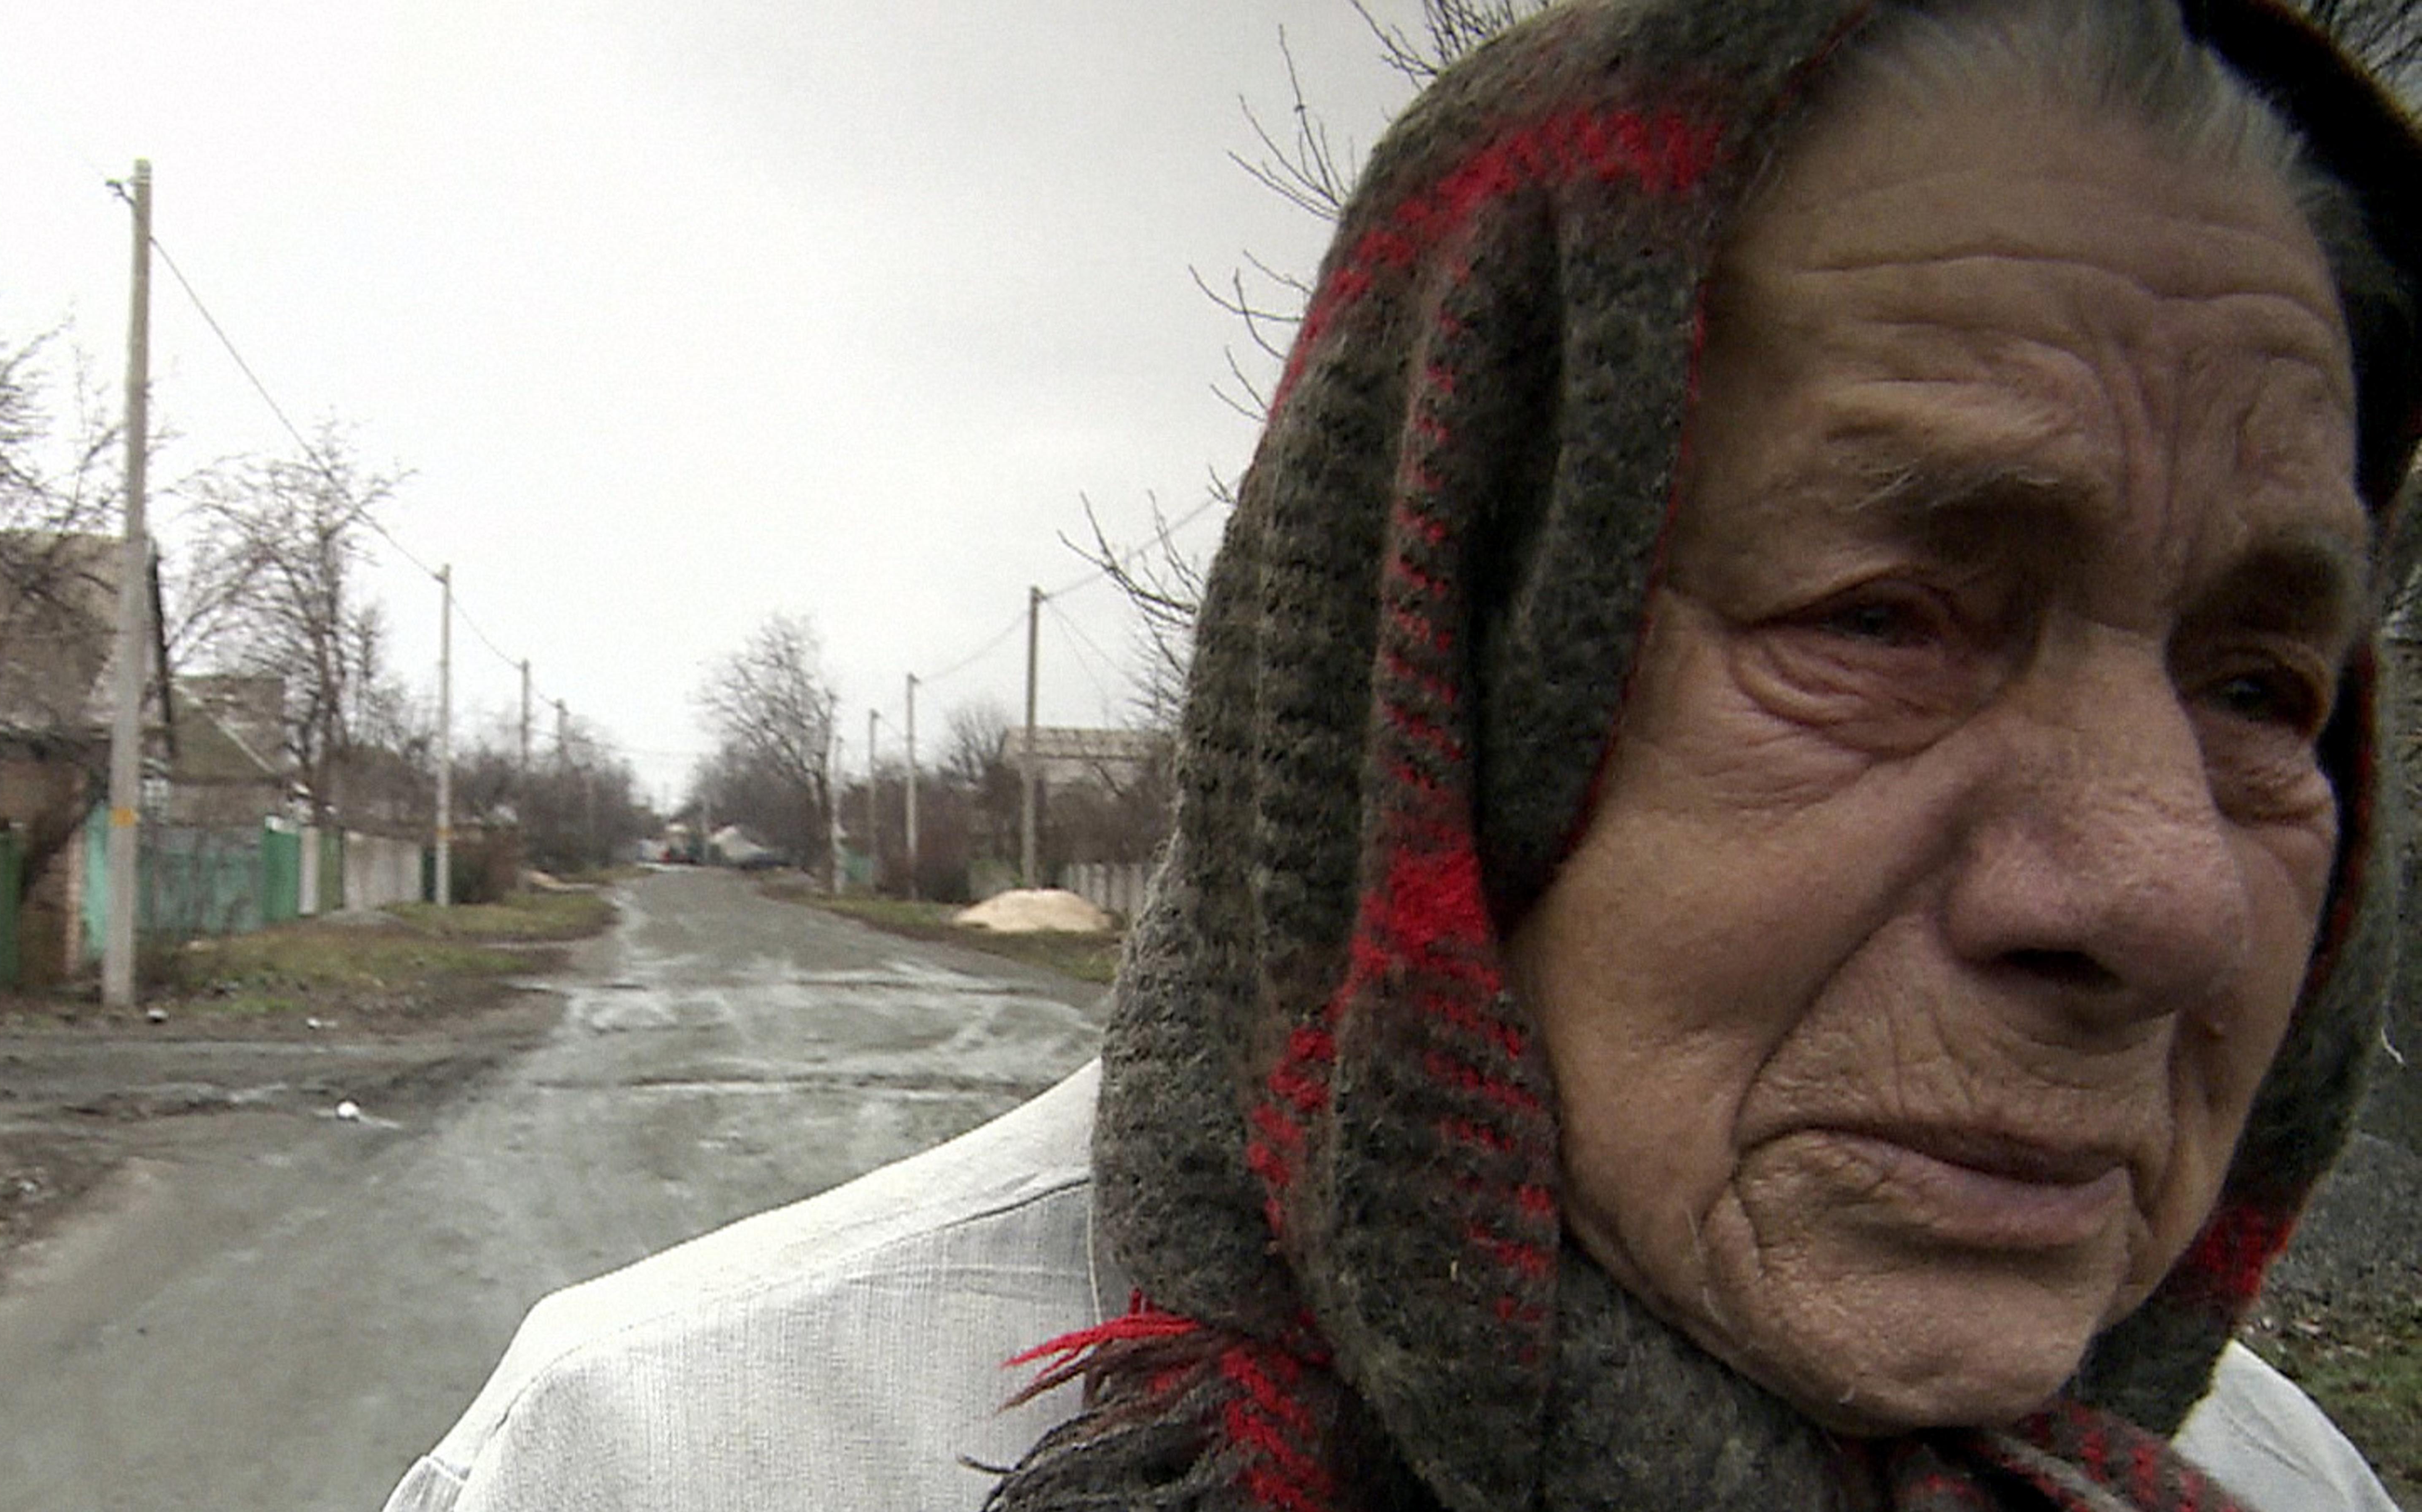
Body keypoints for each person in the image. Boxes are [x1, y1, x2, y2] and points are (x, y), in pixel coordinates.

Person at [383, 0, 2422, 1506]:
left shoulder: (2282, 1491)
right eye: (1878, 621)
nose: (2156, 895)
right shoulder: (690, 1459)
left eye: (2260, 690)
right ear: (1414, 704)